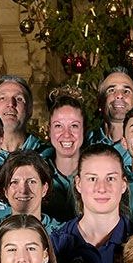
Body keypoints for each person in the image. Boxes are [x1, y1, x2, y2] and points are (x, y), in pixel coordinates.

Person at [0, 150, 64, 237]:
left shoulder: (65, 236)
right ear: (5, 191)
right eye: (14, 182)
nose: (23, 190)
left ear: (44, 189)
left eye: (31, 182)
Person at [44, 90, 89, 222]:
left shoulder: (97, 173)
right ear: (49, 130)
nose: (66, 134)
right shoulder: (38, 173)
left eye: (74, 126)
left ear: (84, 129)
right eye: (58, 126)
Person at [0, 74, 44, 158]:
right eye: (2, 98)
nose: (11, 104)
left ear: (29, 110)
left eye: (19, 99)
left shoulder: (48, 157)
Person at [95, 67, 133, 149]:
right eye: (111, 90)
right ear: (100, 102)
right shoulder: (84, 144)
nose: (119, 95)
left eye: (126, 91)